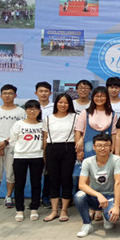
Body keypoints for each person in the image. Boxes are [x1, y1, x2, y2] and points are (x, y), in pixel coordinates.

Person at [0, 84, 26, 208]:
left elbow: (20, 131)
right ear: (1, 95)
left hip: (12, 145)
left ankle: (8, 196)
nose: (7, 96)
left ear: (15, 95)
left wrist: (5, 143)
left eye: (10, 93)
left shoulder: (21, 112)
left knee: (11, 172)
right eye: (5, 93)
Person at [74, 133, 120, 237]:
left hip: (110, 197)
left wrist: (116, 207)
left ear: (111, 147)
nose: (102, 148)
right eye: (99, 145)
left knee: (111, 220)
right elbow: (81, 185)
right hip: (95, 197)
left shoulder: (116, 159)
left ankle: (106, 216)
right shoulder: (87, 162)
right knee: (79, 196)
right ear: (94, 147)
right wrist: (98, 195)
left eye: (106, 145)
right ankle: (87, 224)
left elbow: (118, 183)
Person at [42, 93, 78, 222]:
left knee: (66, 179)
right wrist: (44, 154)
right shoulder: (48, 118)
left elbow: (78, 135)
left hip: (69, 148)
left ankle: (64, 211)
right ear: (56, 103)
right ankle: (54, 211)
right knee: (53, 180)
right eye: (60, 102)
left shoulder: (75, 117)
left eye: (66, 103)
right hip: (51, 149)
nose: (63, 105)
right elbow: (45, 138)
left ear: (70, 104)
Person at [10, 100, 44, 222]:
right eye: (29, 109)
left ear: (39, 111)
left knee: (36, 183)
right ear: (25, 111)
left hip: (37, 157)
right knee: (19, 184)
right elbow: (12, 140)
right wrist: (20, 150)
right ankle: (19, 209)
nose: (32, 111)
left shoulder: (43, 125)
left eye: (35, 109)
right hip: (20, 157)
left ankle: (34, 208)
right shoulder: (18, 124)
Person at [35, 81, 54, 208]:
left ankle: (46, 196)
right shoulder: (31, 106)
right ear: (36, 93)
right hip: (33, 143)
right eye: (41, 91)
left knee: (48, 172)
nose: (43, 93)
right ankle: (35, 198)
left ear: (50, 93)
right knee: (35, 173)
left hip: (49, 142)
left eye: (46, 91)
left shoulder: (54, 107)